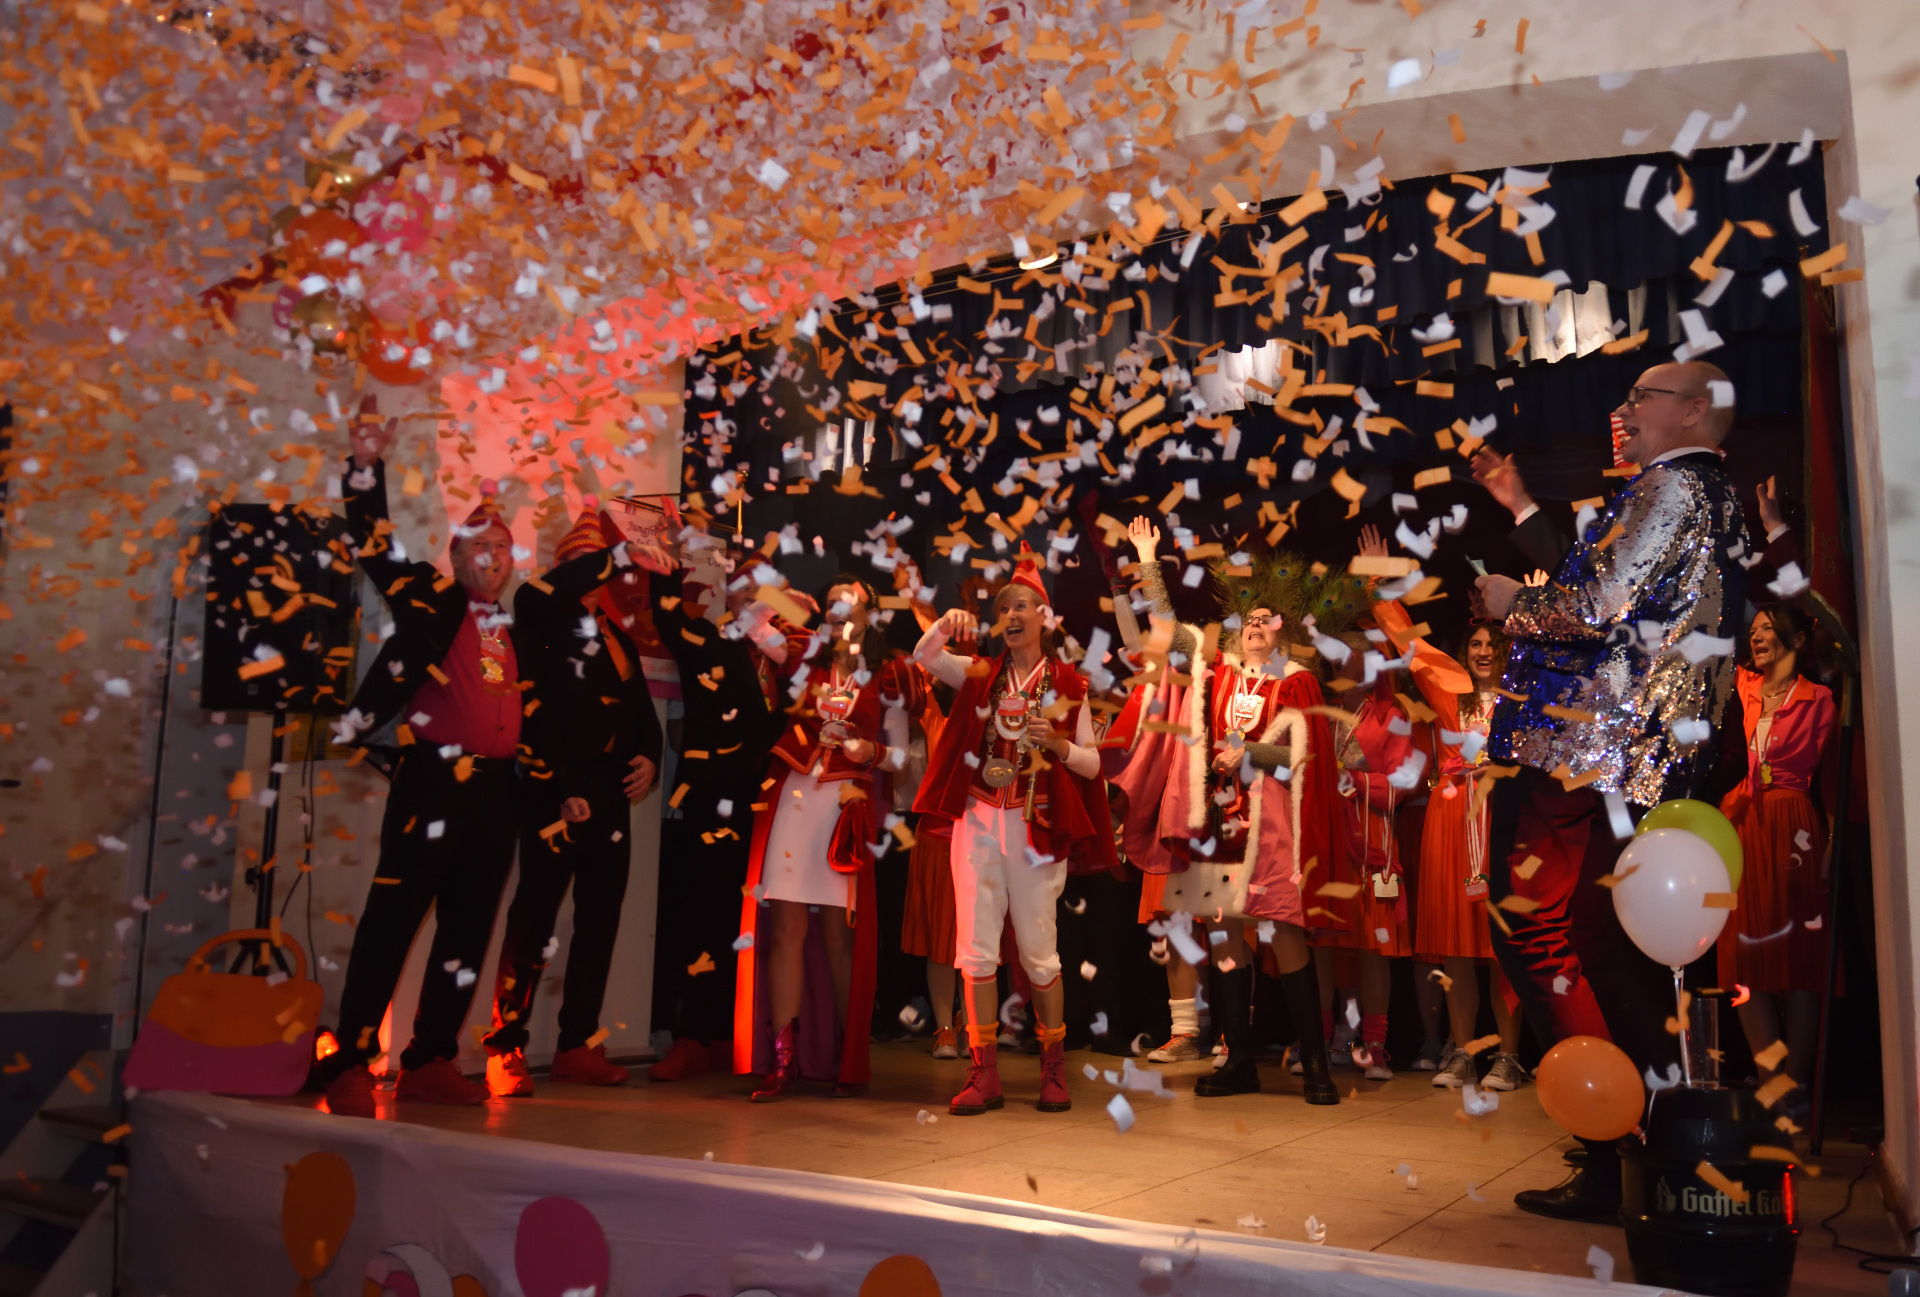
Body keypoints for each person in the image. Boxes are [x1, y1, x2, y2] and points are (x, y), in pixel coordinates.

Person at [1470, 359, 1749, 1220]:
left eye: (1641, 397)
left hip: (1592, 749)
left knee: (1538, 923)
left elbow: (1594, 606)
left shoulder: (1671, 487)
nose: (1622, 411)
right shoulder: (1713, 498)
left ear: (1694, 410)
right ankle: (1644, 1146)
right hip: (1643, 755)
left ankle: (1623, 1141)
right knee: (1603, 937)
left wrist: (1514, 603)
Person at [316, 402, 643, 1117]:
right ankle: (349, 1058)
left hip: (496, 792)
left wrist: (626, 549)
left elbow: (541, 687)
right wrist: (365, 465)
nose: (491, 557)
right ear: (456, 556)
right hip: (433, 781)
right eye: (478, 546)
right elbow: (374, 544)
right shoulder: (431, 600)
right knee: (393, 921)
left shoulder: (517, 623)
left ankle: (430, 1057)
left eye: (502, 547)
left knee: (467, 929)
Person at [1120, 520, 1340, 1103]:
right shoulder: (1218, 674)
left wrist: (1252, 753)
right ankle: (1238, 1060)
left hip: (1273, 830)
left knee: (1286, 938)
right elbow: (1170, 630)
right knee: (1224, 939)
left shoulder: (1296, 683)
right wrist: (1147, 558)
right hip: (1221, 826)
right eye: (1249, 619)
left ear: (1285, 631)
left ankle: (1316, 1065)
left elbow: (1305, 754)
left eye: (1268, 619)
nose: (1255, 626)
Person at [912, 546, 1117, 1115]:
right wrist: (945, 624)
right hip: (978, 820)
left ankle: (1053, 1069)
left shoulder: (1070, 683)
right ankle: (984, 1074)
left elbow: (1093, 766)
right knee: (974, 951)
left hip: (1035, 828)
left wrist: (1059, 745)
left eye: (1022, 605)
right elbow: (925, 655)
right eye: (1004, 608)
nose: (1012, 615)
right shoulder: (980, 671)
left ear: (1044, 617)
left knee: (1039, 954)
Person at [480, 507, 666, 1097]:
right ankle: (504, 1046)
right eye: (588, 564)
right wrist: (561, 788)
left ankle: (576, 1042)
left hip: (611, 790)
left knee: (600, 918)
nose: (599, 573)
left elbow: (642, 714)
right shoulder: (539, 612)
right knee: (533, 919)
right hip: (556, 788)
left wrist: (650, 759)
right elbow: (535, 716)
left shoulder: (614, 634)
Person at [735, 574, 917, 1101]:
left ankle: (846, 1054)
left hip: (844, 808)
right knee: (786, 929)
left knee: (840, 936)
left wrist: (869, 752)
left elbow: (904, 759)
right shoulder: (804, 657)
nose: (837, 611)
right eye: (831, 603)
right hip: (793, 800)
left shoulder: (889, 674)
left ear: (869, 616)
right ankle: (784, 1059)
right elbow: (749, 621)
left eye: (848, 603)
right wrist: (780, 597)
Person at [1365, 532, 1527, 1092]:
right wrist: (1379, 585)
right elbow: (1409, 643)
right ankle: (1462, 1052)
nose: (1482, 652)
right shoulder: (1451, 690)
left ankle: (1509, 1056)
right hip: (1452, 821)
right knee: (1457, 946)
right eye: (1475, 644)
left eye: (1492, 644)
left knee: (1503, 945)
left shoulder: (1523, 697)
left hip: (1502, 819)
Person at [644, 534, 781, 1082]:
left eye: (764, 594)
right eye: (745, 591)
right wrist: (663, 560)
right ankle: (691, 1035)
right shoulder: (709, 638)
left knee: (741, 920)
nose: (754, 602)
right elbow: (666, 615)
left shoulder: (782, 657)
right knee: (701, 915)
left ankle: (728, 1034)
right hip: (712, 798)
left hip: (765, 806)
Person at [1717, 603, 1836, 1111]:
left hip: (1794, 827)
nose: (1757, 636)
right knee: (1744, 960)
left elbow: (1833, 780)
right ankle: (1769, 1080)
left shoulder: (1819, 699)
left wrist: (1830, 847)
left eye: (1768, 628)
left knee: (1799, 960)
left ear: (1797, 638)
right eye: (1754, 629)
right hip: (1745, 824)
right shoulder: (1744, 686)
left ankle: (1797, 1082)